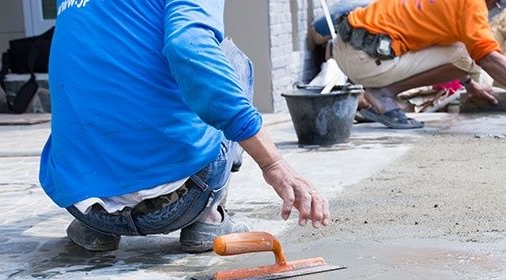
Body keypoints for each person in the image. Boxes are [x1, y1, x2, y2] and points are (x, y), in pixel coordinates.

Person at [39, 1, 329, 253]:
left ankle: (99, 228)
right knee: (232, 60)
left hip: (81, 203)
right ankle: (207, 218)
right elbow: (190, 46)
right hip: (178, 203)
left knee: (96, 57)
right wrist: (273, 162)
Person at [330, 0, 506, 129]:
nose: (492, 10)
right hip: (365, 59)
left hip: (347, 46)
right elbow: (487, 57)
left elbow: (432, 33)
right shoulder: (472, 6)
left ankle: (379, 93)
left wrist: (468, 84)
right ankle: (383, 94)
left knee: (463, 50)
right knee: (468, 55)